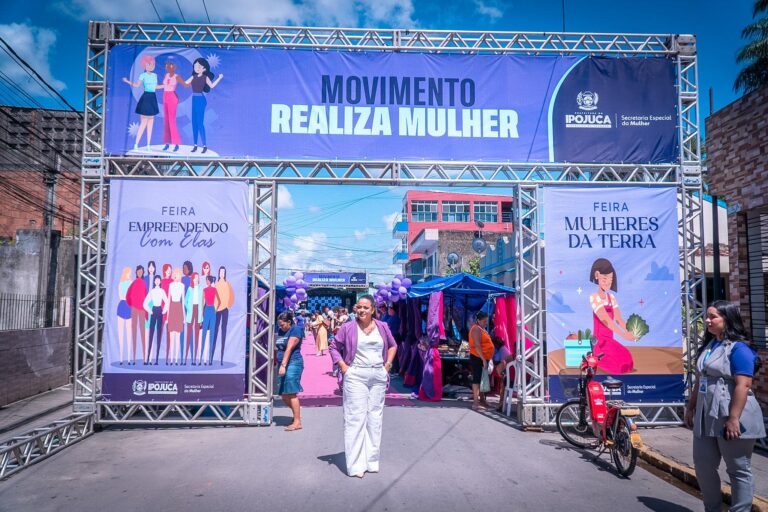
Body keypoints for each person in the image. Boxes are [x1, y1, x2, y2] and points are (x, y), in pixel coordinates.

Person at [684, 301, 765, 512]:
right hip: (706, 415)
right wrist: (691, 407)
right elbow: (700, 380)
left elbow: (743, 384)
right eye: (707, 316)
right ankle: (712, 508)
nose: (707, 321)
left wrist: (733, 418)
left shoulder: (739, 348)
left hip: (731, 414)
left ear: (727, 319)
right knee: (703, 464)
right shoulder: (711, 345)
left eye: (713, 317)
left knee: (738, 469)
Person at [329, 294, 397, 478]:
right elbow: (333, 346)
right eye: (359, 307)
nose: (361, 310)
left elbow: (392, 346)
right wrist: (343, 367)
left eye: (366, 307)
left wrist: (387, 365)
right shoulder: (348, 327)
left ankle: (371, 461)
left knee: (375, 418)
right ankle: (356, 464)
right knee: (355, 418)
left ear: (373, 309)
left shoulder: (382, 326)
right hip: (356, 375)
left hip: (378, 375)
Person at [588, 258, 636, 374]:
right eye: (605, 279)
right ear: (597, 275)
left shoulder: (611, 298)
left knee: (628, 361)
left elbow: (618, 319)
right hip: (599, 343)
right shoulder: (594, 297)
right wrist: (623, 335)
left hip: (610, 341)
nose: (608, 282)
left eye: (610, 279)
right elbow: (606, 320)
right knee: (617, 367)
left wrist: (630, 330)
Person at [184, 57, 223, 153]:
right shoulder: (193, 77)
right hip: (194, 99)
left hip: (200, 99)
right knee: (194, 122)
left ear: (204, 68)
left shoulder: (205, 77)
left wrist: (219, 78)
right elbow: (185, 83)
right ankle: (195, 145)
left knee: (199, 122)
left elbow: (212, 86)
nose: (196, 68)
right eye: (195, 66)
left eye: (199, 66)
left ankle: (204, 145)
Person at [122, 55, 159, 150]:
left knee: (151, 123)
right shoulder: (143, 75)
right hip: (146, 98)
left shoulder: (155, 75)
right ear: (145, 65)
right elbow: (136, 85)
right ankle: (136, 144)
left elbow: (155, 87)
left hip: (153, 98)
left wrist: (166, 86)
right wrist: (127, 81)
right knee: (144, 123)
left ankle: (148, 145)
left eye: (153, 64)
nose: (151, 66)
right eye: (149, 64)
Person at [276, 311, 304, 432]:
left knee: (291, 392)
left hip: (293, 362)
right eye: (279, 325)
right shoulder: (281, 331)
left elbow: (289, 348)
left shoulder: (295, 330)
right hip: (282, 362)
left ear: (289, 322)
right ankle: (296, 414)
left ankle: (297, 422)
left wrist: (283, 365)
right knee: (283, 394)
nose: (280, 327)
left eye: (282, 325)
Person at [159, 58, 188, 152]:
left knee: (172, 121)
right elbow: (164, 86)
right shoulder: (166, 75)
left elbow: (186, 85)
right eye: (167, 65)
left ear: (175, 66)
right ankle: (167, 143)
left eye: (171, 64)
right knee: (166, 121)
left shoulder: (177, 77)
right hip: (165, 96)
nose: (168, 66)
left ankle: (176, 144)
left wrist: (192, 79)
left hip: (172, 97)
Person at [469, 311, 494, 411]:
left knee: (483, 379)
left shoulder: (481, 329)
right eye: (484, 321)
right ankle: (475, 403)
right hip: (477, 357)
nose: (486, 323)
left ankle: (482, 400)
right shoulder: (476, 329)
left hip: (483, 358)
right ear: (478, 321)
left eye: (486, 321)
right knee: (477, 379)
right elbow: (477, 345)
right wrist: (483, 359)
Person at [143, 275, 169, 364]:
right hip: (154, 310)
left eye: (159, 280)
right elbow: (145, 303)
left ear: (160, 281)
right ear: (154, 281)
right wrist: (150, 311)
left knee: (158, 334)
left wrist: (164, 311)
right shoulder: (152, 291)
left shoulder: (162, 291)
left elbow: (167, 302)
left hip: (159, 311)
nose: (157, 281)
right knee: (151, 334)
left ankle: (157, 360)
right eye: (156, 280)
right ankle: (147, 358)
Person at [125, 265, 148, 364]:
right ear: (136, 272)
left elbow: (146, 297)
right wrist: (132, 305)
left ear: (143, 273)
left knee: (143, 333)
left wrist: (146, 312)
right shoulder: (134, 283)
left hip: (142, 310)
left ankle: (144, 358)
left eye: (141, 272)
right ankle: (134, 358)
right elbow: (128, 296)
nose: (140, 273)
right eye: (139, 271)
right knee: (134, 332)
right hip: (134, 309)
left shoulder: (143, 283)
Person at [212, 266, 234, 365]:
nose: (222, 274)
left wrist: (228, 305)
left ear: (225, 273)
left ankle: (221, 358)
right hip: (217, 311)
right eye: (220, 272)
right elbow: (213, 297)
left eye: (223, 272)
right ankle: (212, 357)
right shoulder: (216, 284)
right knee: (215, 331)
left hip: (225, 310)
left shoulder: (227, 284)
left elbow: (232, 296)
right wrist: (215, 307)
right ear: (218, 273)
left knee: (223, 331)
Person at [184, 272, 203, 365]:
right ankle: (185, 358)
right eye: (195, 278)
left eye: (197, 278)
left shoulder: (200, 288)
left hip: (198, 311)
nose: (196, 279)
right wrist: (189, 309)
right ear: (192, 279)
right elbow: (185, 302)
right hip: (191, 311)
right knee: (188, 335)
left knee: (197, 335)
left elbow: (202, 303)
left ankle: (195, 359)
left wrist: (201, 316)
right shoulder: (189, 289)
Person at [167, 268, 186, 365]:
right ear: (174, 275)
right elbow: (168, 301)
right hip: (172, 309)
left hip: (178, 309)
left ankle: (176, 359)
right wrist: (167, 317)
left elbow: (183, 302)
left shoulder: (182, 286)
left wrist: (184, 317)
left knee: (178, 337)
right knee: (172, 336)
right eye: (177, 274)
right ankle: (171, 359)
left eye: (179, 274)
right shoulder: (170, 285)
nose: (178, 276)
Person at [491, 335, 514, 412]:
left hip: (509, 374)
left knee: (503, 383)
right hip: (510, 373)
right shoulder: (502, 349)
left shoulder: (503, 350)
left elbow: (499, 362)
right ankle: (502, 403)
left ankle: (501, 404)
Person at [115, 267, 133, 365]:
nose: (129, 275)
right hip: (122, 306)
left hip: (129, 307)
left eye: (130, 273)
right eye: (128, 273)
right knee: (121, 333)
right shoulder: (121, 284)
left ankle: (129, 358)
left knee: (129, 333)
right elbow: (120, 295)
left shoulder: (131, 283)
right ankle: (121, 357)